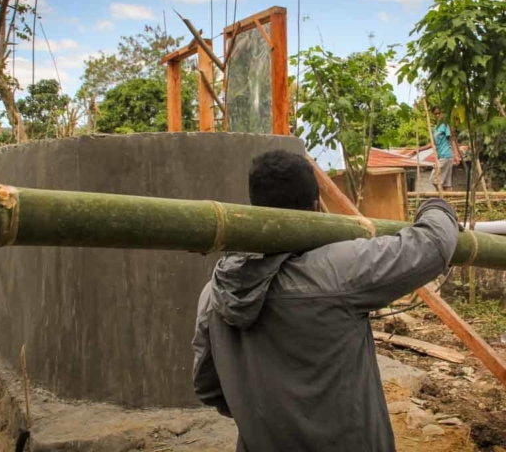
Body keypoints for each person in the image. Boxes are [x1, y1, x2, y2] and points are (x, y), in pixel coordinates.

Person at [192, 149, 460, 452]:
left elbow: (208, 387)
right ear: (316, 206)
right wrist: (436, 206)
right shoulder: (340, 272)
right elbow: (434, 245)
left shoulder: (214, 294)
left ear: (254, 207)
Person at [429, 105, 457, 191]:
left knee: (434, 178)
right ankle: (449, 202)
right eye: (435, 114)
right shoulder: (435, 129)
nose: (437, 115)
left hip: (446, 155)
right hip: (442, 156)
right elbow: (432, 143)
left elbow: (451, 140)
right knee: (447, 184)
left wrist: (456, 154)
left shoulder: (445, 125)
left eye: (439, 113)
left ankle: (442, 198)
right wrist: (418, 150)